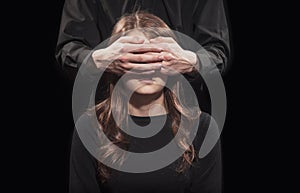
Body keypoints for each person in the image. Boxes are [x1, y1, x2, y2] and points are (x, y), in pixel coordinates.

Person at [69, 12, 222, 193]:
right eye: (136, 57)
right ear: (114, 63)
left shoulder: (202, 128)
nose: (146, 67)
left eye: (156, 57)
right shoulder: (91, 127)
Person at [55, 0, 231, 113]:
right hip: (107, 116)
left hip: (183, 116)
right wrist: (99, 60)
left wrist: (192, 62)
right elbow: (67, 49)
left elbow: (218, 52)